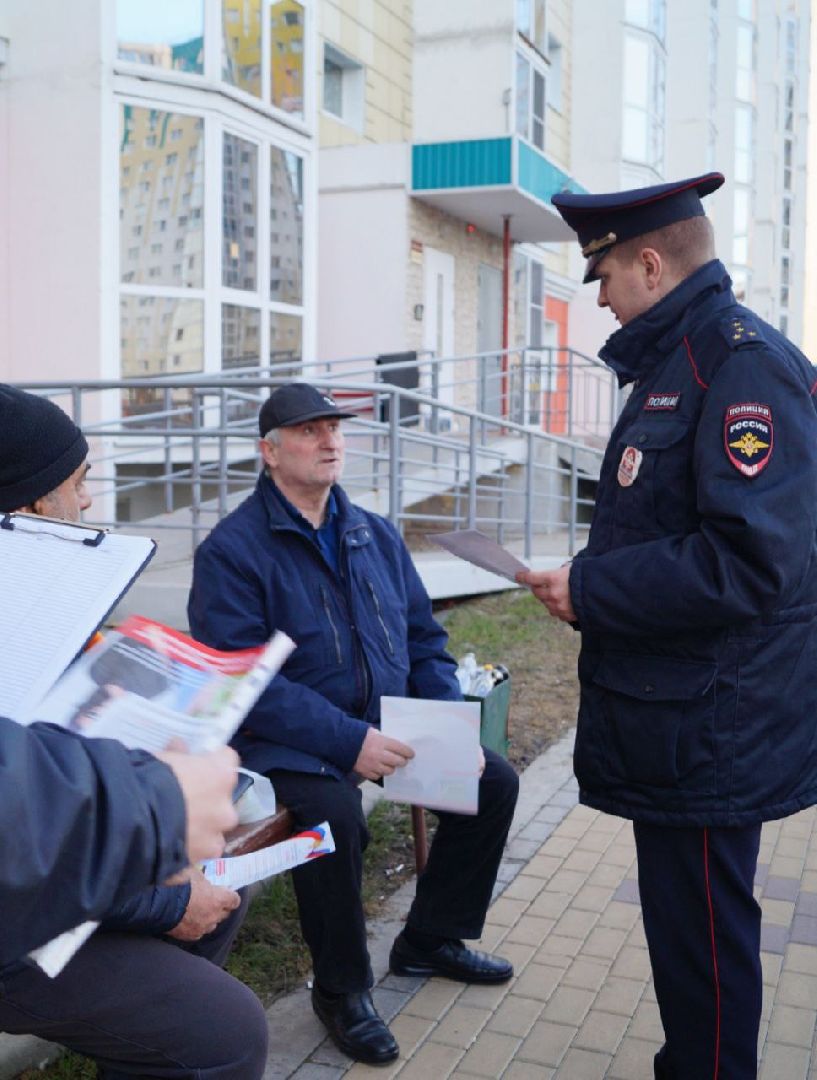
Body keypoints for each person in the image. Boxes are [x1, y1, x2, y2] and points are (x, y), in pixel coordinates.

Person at [518, 173, 817, 1079]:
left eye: (602, 274)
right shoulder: (684, 358)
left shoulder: (737, 367)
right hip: (683, 713)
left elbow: (748, 562)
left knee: (706, 939)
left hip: (710, 722)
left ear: (650, 263)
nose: (600, 296)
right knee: (687, 933)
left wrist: (590, 588)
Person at [188, 382, 519, 1065]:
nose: (329, 441)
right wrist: (349, 742)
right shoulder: (232, 551)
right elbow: (248, 684)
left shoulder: (372, 532)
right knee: (332, 818)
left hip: (388, 722)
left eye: (334, 429)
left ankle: (429, 938)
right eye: (309, 431)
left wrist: (444, 721)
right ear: (269, 451)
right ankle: (341, 990)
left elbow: (423, 636)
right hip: (287, 745)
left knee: (494, 783)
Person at [0, 385, 268, 1080]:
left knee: (218, 897)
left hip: (54, 865)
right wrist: (166, 892)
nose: (87, 503)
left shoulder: (31, 600)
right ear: (31, 505)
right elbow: (21, 829)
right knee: (225, 1031)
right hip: (19, 919)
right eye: (78, 484)